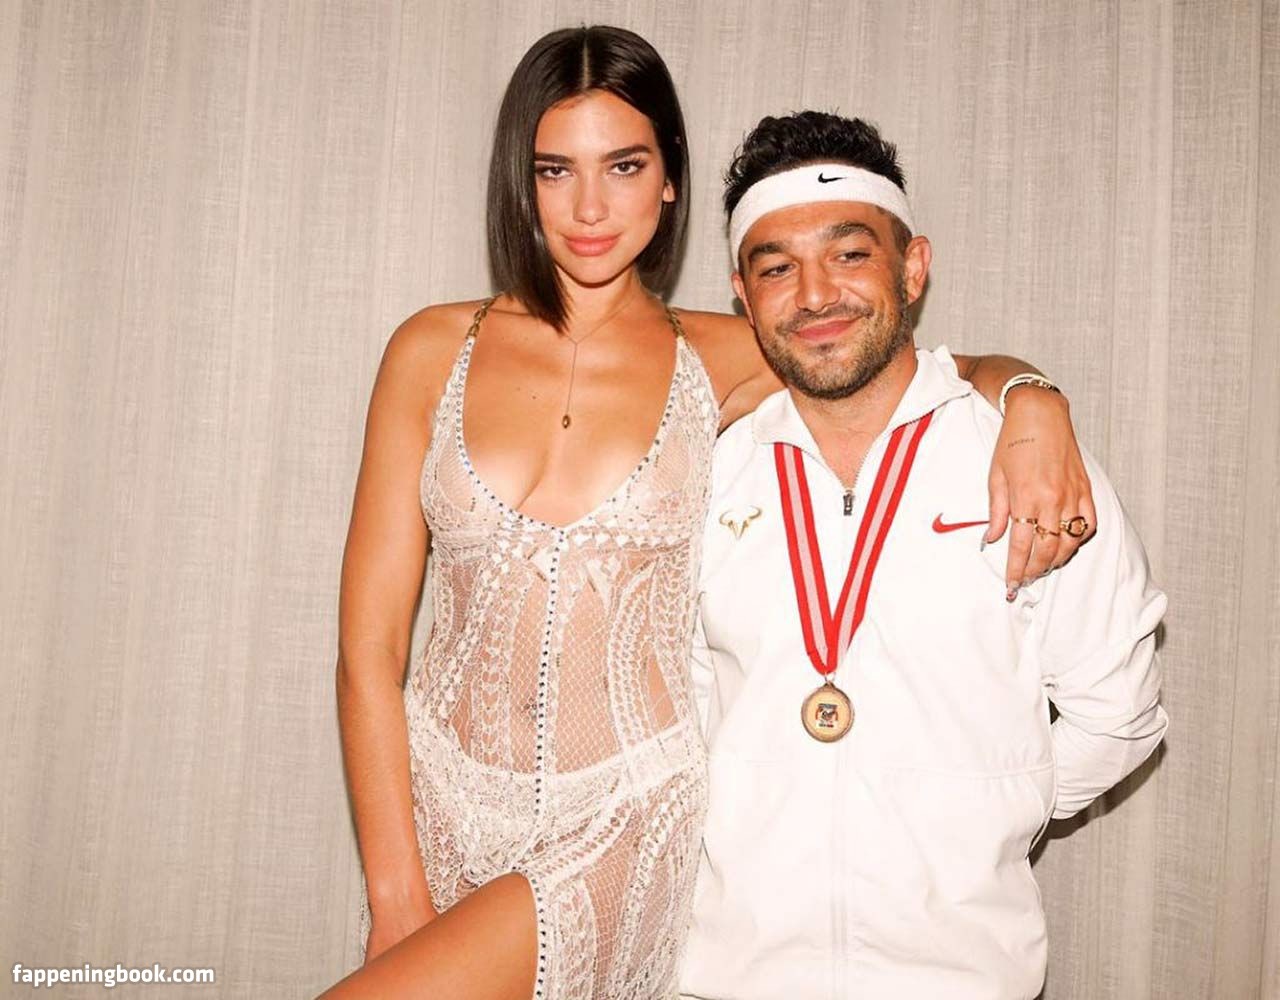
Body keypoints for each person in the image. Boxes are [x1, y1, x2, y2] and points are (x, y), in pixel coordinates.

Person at [321, 27, 1095, 1000]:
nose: (590, 206)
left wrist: (1032, 397)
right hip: (438, 804)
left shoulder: (726, 355)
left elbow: (913, 367)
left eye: (624, 166)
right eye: (556, 169)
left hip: (621, 817)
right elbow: (368, 649)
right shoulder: (430, 350)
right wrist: (395, 892)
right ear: (520, 179)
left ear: (669, 179)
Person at [677, 111, 1168, 1000]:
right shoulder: (703, 474)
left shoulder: (1023, 461)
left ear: (912, 267)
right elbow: (681, 717)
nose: (815, 294)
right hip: (726, 977)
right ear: (743, 297)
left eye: (849, 254)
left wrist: (985, 812)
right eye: (777, 268)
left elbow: (1119, 714)